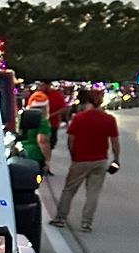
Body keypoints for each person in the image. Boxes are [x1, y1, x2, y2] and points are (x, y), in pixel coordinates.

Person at [51, 88, 120, 231]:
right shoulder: (109, 119)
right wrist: (116, 159)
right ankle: (86, 223)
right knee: (93, 193)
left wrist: (73, 155)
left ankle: (60, 218)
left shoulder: (79, 118)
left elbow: (71, 139)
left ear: (88, 101)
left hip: (80, 160)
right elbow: (114, 141)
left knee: (69, 190)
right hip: (100, 160)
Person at [17, 90, 53, 171]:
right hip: (35, 156)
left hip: (19, 153)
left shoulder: (20, 117)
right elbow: (42, 140)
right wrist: (47, 159)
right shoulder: (43, 121)